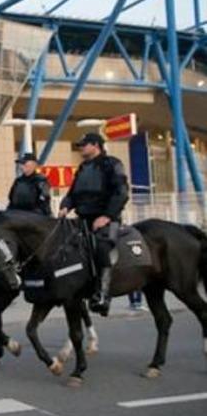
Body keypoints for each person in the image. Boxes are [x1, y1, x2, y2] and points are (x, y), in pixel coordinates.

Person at [58, 132, 129, 314]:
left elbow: (121, 192)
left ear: (95, 145)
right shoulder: (82, 167)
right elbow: (73, 194)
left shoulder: (112, 164)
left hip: (105, 219)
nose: (81, 148)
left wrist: (107, 216)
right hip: (83, 219)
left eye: (84, 145)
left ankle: (103, 294)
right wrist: (65, 206)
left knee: (102, 248)